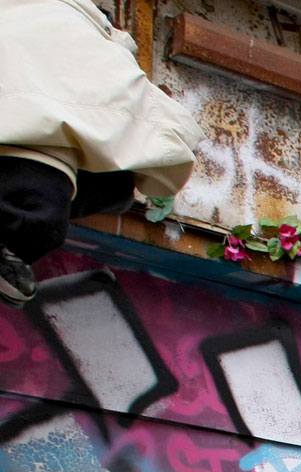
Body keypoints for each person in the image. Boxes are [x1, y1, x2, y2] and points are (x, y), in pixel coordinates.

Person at [0, 0, 199, 305]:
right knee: (46, 216)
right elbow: (142, 107)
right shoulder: (81, 33)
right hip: (35, 156)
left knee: (112, 189)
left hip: (39, 151)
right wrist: (163, 168)